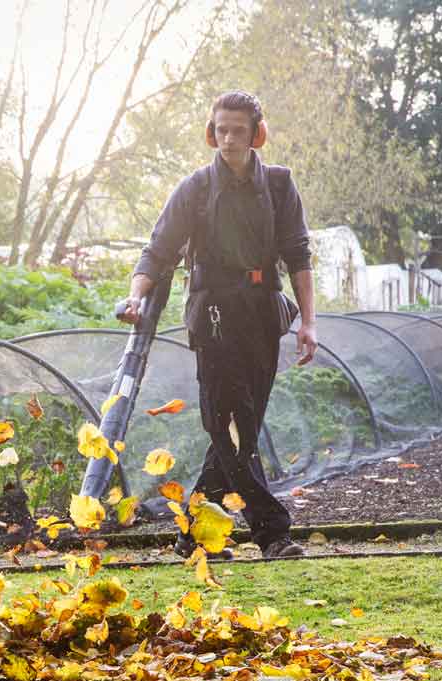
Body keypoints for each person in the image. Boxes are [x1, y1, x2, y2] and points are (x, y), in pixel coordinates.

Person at [119, 90, 317, 559]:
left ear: (257, 135)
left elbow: (299, 257)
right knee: (226, 422)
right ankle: (272, 533)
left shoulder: (280, 185)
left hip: (264, 315)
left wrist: (310, 323)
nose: (228, 139)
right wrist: (134, 294)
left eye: (238, 131)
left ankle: (192, 537)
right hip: (213, 317)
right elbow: (157, 250)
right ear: (211, 131)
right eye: (221, 130)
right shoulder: (194, 189)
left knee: (241, 431)